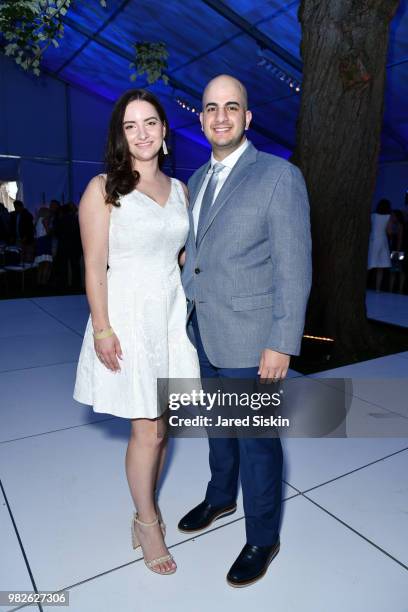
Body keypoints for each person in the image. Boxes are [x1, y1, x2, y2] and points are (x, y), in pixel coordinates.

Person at [178, 75, 312, 587]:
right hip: (203, 332)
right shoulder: (194, 180)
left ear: (247, 117)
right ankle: (219, 498)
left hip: (254, 338)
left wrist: (282, 340)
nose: (220, 116)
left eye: (231, 107)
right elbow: (199, 252)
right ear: (202, 117)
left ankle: (263, 536)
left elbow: (295, 267)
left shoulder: (279, 176)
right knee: (218, 427)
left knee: (257, 440)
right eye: (211, 108)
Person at [73, 89, 200, 575]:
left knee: (160, 426)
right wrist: (103, 329)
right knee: (146, 428)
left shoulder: (181, 190)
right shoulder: (103, 188)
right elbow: (93, 267)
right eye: (131, 125)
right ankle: (147, 522)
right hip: (127, 318)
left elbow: (181, 256)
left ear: (166, 131)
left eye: (151, 123)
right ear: (120, 135)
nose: (143, 133)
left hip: (168, 317)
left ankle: (143, 510)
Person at [367, 198, 392, 291]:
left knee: (369, 263)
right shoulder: (388, 217)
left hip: (372, 240)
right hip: (382, 241)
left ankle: (363, 286)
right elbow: (389, 231)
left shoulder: (373, 216)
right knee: (380, 266)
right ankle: (377, 288)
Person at [34, 206, 53, 285]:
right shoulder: (44, 220)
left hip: (39, 242)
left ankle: (39, 282)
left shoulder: (37, 220)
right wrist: (51, 230)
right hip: (45, 241)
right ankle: (44, 282)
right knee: (47, 264)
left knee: (41, 265)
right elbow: (48, 232)